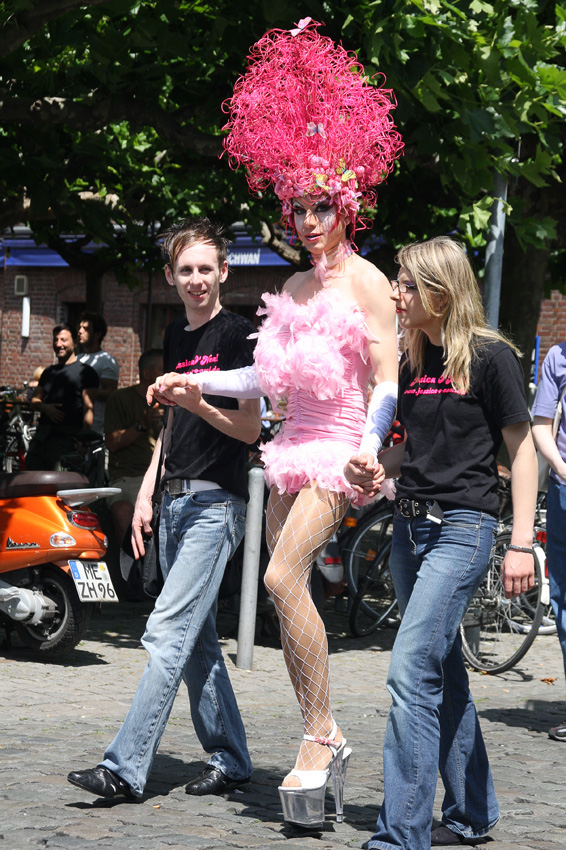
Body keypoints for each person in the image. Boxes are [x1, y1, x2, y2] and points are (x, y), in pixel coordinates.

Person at [151, 19, 403, 828]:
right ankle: (316, 730)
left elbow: (388, 379)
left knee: (276, 579)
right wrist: (192, 380)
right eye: (294, 206)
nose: (304, 218)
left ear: (346, 205)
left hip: (338, 451)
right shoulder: (291, 289)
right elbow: (263, 375)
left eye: (319, 205)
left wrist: (369, 448)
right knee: (291, 594)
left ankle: (323, 734)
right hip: (288, 446)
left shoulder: (366, 281)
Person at [345, 236, 538, 850]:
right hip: (409, 527)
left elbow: (523, 450)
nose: (397, 294)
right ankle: (474, 811)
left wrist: (522, 543)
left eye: (405, 283)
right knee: (442, 670)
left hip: (464, 528)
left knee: (408, 672)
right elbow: (418, 450)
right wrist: (380, 466)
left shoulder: (490, 357)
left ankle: (400, 834)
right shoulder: (410, 361)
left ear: (439, 289)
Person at [67, 217, 260, 801]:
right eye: (186, 270)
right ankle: (231, 758)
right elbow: (173, 423)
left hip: (216, 506)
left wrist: (197, 400)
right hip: (173, 503)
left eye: (206, 268)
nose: (197, 279)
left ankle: (124, 768)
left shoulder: (240, 336)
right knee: (196, 640)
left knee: (166, 631)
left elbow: (250, 427)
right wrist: (149, 488)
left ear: (223, 271)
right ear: (172, 277)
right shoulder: (177, 336)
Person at [532, 342, 566, 741]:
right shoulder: (558, 357)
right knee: (563, 598)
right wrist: (560, 467)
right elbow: (541, 423)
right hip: (563, 495)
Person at [104, 348, 164, 546]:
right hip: (127, 477)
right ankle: (130, 571)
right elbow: (112, 443)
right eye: (162, 371)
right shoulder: (120, 399)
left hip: (160, 478)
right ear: (147, 374)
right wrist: (143, 424)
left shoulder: (170, 402)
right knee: (123, 512)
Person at [26, 324, 99, 470]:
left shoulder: (86, 373)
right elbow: (34, 400)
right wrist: (45, 408)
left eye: (63, 340)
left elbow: (88, 408)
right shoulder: (48, 372)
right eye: (56, 340)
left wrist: (83, 439)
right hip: (42, 438)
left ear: (75, 342)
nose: (59, 344)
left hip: (67, 440)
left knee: (59, 487)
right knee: (31, 480)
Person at [78, 312, 120, 435]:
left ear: (97, 334)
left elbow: (111, 393)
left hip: (95, 427)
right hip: (74, 423)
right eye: (80, 327)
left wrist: (84, 392)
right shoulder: (77, 358)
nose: (80, 331)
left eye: (85, 329)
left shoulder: (106, 360)